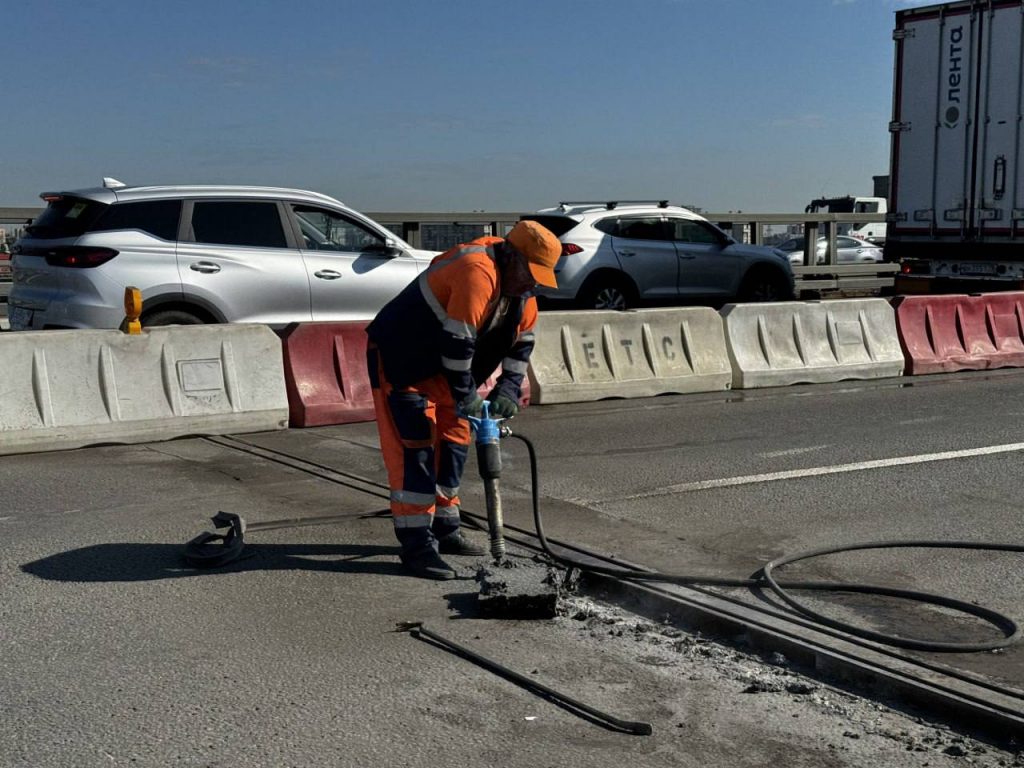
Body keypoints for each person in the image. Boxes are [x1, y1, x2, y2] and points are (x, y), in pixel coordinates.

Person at [365, 220, 561, 580]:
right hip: (403, 363)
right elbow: (458, 344)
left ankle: (445, 528)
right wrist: (467, 394)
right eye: (531, 273)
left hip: (446, 371)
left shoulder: (523, 294)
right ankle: (417, 547)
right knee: (416, 451)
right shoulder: (477, 269)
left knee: (454, 443)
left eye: (540, 277)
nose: (533, 284)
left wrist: (508, 389)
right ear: (512, 257)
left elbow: (522, 346)